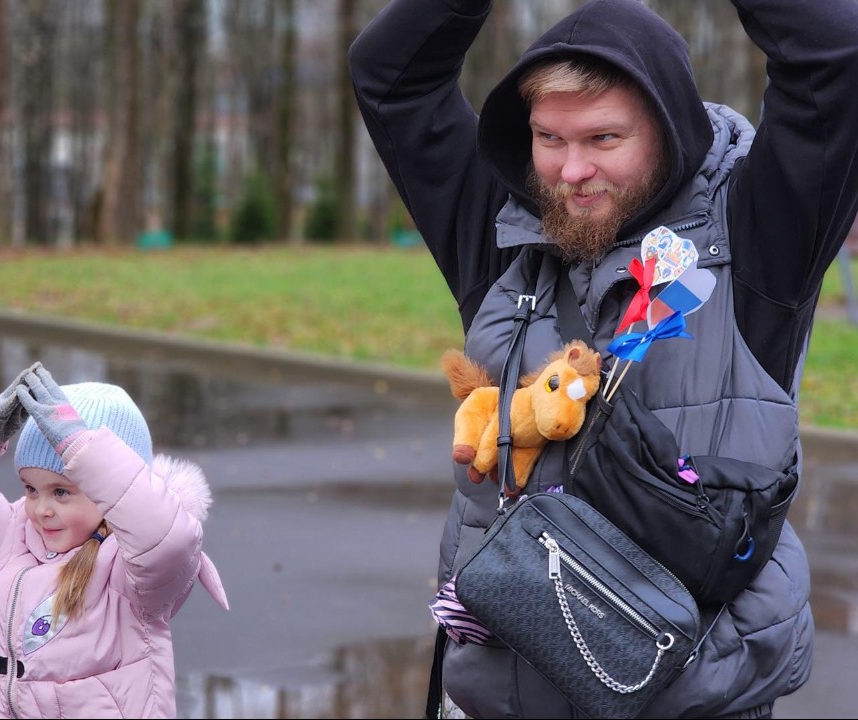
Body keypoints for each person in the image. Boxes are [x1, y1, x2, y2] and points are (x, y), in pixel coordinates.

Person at [349, 0, 858, 718]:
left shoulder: (759, 239)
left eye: (604, 138)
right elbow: (391, 78)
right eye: (548, 138)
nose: (571, 171)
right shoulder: (503, 238)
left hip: (685, 695)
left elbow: (836, 55)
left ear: (671, 130)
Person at [0, 362, 228, 718]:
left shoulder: (130, 568)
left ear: (108, 490)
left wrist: (81, 450)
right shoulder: (10, 533)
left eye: (61, 492)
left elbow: (167, 541)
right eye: (31, 489)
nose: (41, 509)